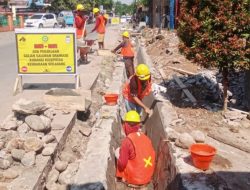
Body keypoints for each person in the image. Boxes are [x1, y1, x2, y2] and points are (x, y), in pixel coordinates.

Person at [116, 110, 155, 189]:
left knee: (118, 153)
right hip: (147, 177)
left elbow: (122, 164)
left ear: (126, 125)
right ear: (138, 125)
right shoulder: (145, 137)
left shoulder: (127, 141)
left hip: (135, 179)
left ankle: (124, 179)